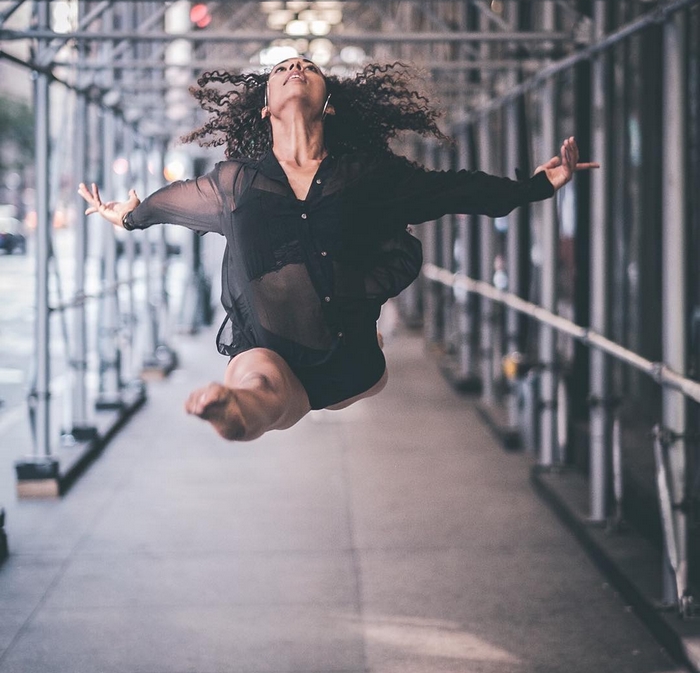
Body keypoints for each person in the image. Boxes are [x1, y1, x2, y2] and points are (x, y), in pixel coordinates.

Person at [79, 58, 597, 443]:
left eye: (307, 66)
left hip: (351, 358)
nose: (296, 68)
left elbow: (457, 191)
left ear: (329, 102)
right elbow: (166, 205)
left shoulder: (370, 176)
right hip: (269, 346)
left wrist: (537, 186)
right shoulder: (236, 183)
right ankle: (227, 408)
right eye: (283, 68)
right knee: (261, 384)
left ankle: (236, 403)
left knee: (279, 388)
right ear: (264, 106)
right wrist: (128, 214)